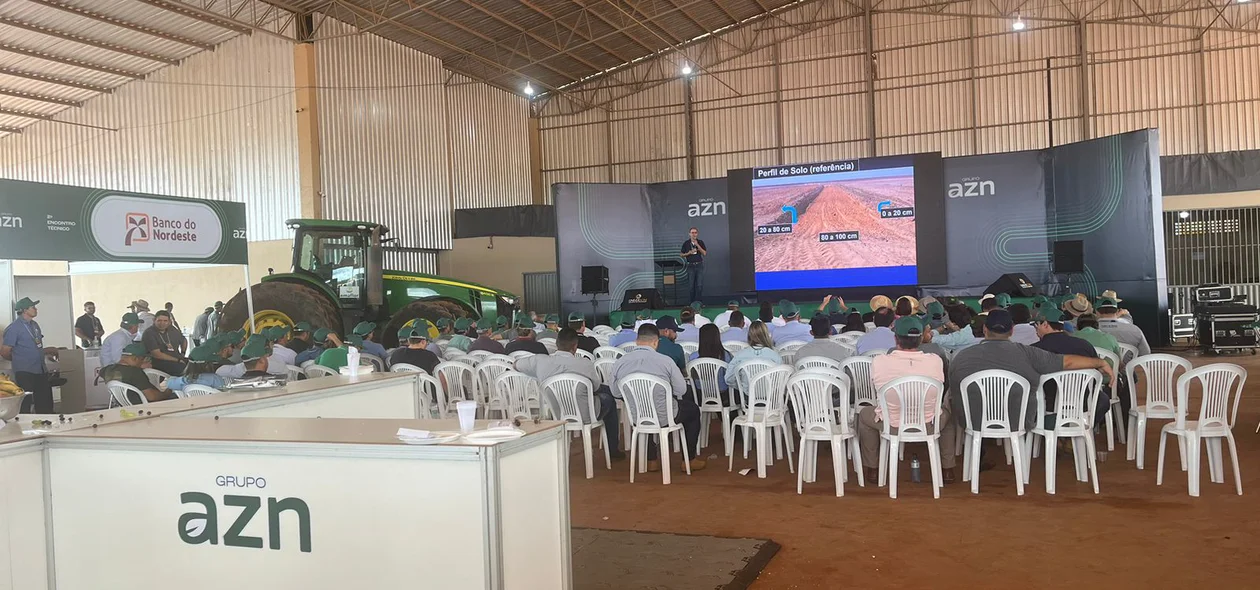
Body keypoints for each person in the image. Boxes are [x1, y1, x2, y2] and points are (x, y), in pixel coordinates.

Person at [949, 309, 1114, 438]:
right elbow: (1067, 362)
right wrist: (1100, 362)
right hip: (1018, 421)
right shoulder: (1028, 353)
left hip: (973, 422)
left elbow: (953, 388)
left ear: (984, 329)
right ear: (1012, 330)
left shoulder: (961, 356)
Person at [859, 316, 957, 483]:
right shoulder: (935, 360)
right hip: (929, 424)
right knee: (946, 415)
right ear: (920, 339)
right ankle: (947, 470)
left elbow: (876, 386)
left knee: (863, 415)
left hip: (891, 424)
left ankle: (873, 469)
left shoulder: (880, 361)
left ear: (895, 338)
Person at [517, 328, 623, 459]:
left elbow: (516, 365)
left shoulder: (539, 361)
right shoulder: (585, 363)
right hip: (586, 414)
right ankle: (613, 450)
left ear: (556, 344)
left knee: (605, 391)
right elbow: (595, 387)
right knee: (608, 397)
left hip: (557, 412)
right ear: (575, 346)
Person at [610, 324, 702, 471]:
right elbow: (681, 389)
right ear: (656, 342)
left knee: (643, 411)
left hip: (637, 416)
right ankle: (689, 460)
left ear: (637, 340)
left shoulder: (619, 363)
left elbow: (616, 392)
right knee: (693, 411)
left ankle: (651, 460)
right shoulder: (665, 361)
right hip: (666, 415)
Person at [1032, 308, 1112, 425]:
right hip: (1083, 403)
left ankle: (1050, 432)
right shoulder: (1084, 345)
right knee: (1103, 400)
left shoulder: (1033, 349)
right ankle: (1082, 429)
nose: (1035, 330)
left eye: (1036, 325)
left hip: (1046, 404)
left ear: (1045, 324)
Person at [2, 297, 58, 413]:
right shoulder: (14, 328)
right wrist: (19, 359)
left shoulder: (34, 325)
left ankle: (46, 423)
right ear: (24, 310)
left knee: (45, 401)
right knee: (25, 402)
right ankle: (24, 427)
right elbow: (5, 351)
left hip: (40, 369)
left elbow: (35, 346)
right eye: (33, 307)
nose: (36, 309)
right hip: (25, 371)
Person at [100, 343, 171, 403]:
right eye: (143, 359)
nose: (143, 362)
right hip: (145, 407)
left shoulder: (106, 370)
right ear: (135, 358)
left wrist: (139, 366)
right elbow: (152, 397)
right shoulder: (136, 373)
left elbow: (123, 371)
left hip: (125, 405)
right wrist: (166, 393)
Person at [725, 321, 782, 390]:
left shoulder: (740, 354)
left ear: (749, 336)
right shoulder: (775, 354)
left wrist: (740, 387)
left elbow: (728, 378)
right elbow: (781, 376)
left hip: (748, 396)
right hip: (771, 395)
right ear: (766, 335)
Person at [688, 324, 732, 405]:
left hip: (700, 395)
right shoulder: (725, 355)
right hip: (723, 395)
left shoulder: (693, 357)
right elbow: (729, 377)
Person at [141, 310, 188, 375]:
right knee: (181, 368)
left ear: (169, 322)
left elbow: (184, 340)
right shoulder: (149, 333)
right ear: (154, 320)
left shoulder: (172, 329)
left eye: (165, 321)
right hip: (158, 361)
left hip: (176, 358)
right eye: (159, 320)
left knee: (194, 365)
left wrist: (183, 353)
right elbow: (156, 354)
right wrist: (177, 360)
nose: (162, 323)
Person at [681, 227, 707, 302]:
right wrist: (689, 253)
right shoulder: (686, 243)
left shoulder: (700, 242)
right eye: (692, 232)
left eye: (695, 232)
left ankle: (699, 303)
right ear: (689, 234)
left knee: (699, 285)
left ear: (697, 234)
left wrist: (697, 245)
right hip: (690, 266)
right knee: (691, 286)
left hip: (699, 265)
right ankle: (692, 304)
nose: (694, 234)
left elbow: (704, 253)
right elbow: (681, 254)